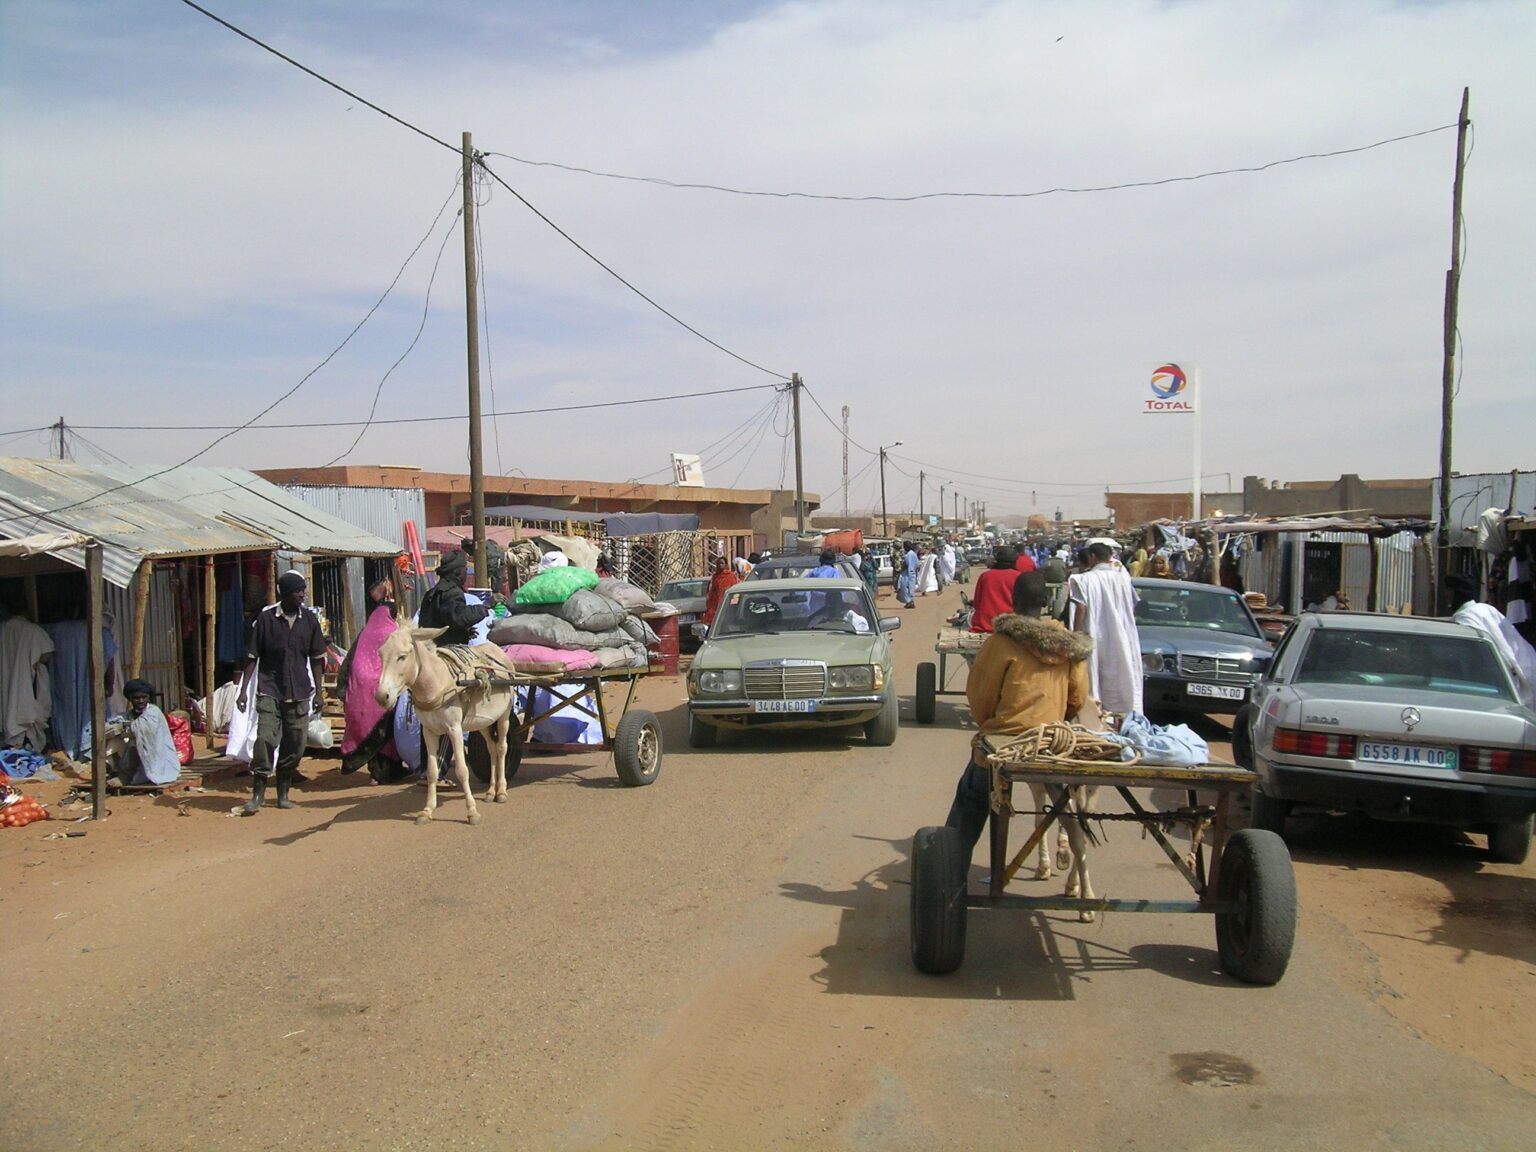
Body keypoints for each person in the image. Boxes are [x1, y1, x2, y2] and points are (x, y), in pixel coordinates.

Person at [943, 572, 1092, 859]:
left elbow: (980, 696)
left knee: (971, 796)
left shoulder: (1001, 641)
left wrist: (991, 725)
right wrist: (1054, 717)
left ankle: (952, 866)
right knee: (1061, 796)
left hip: (1006, 740)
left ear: (1013, 601)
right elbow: (1078, 697)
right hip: (1051, 741)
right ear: (1047, 601)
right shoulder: (1068, 645)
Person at [235, 571, 327, 815]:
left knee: (295, 744)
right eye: (297, 591)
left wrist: (319, 693)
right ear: (284, 594)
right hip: (270, 689)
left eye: (303, 591)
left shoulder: (309, 620)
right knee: (265, 738)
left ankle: (283, 794)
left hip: (299, 691)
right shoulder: (265, 620)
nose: (302, 595)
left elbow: (317, 659)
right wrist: (243, 691)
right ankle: (257, 795)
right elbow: (252, 656)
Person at [1068, 541, 1143, 716]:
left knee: (1094, 674)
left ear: (1092, 557)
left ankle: (1097, 715)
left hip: (1095, 634)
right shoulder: (1123, 578)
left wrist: (1076, 635)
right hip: (1122, 634)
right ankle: (1122, 714)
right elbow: (1133, 603)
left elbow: (1081, 608)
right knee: (1121, 670)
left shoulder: (1084, 579)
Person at [1448, 574, 1536, 708]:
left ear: (1456, 593)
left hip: (1509, 681)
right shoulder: (1484, 608)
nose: (1445, 597)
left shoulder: (1466, 619)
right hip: (1526, 664)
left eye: (1448, 592)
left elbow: (1478, 657)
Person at [108, 678, 181, 786]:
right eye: (137, 698)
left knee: (134, 743)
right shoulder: (128, 714)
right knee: (112, 740)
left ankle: (125, 777)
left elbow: (144, 732)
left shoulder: (153, 712)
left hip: (156, 755)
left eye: (144, 697)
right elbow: (113, 725)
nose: (141, 701)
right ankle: (115, 771)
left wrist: (126, 728)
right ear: (130, 699)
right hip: (133, 755)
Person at [418, 549, 493, 646]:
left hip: (430, 648)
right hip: (445, 651)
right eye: (465, 569)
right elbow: (458, 617)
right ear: (458, 572)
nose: (466, 573)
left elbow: (442, 621)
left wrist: (463, 633)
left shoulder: (431, 593)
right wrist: (485, 607)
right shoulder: (452, 592)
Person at [969, 547, 1022, 634]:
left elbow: (977, 603)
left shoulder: (985, 576)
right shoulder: (1019, 577)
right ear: (1014, 561)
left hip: (985, 625)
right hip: (1011, 625)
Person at [703, 556, 740, 626]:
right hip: (716, 604)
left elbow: (735, 589)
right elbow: (710, 591)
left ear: (726, 565)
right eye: (719, 563)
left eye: (722, 563)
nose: (720, 565)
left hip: (727, 603)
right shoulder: (715, 577)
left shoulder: (731, 576)